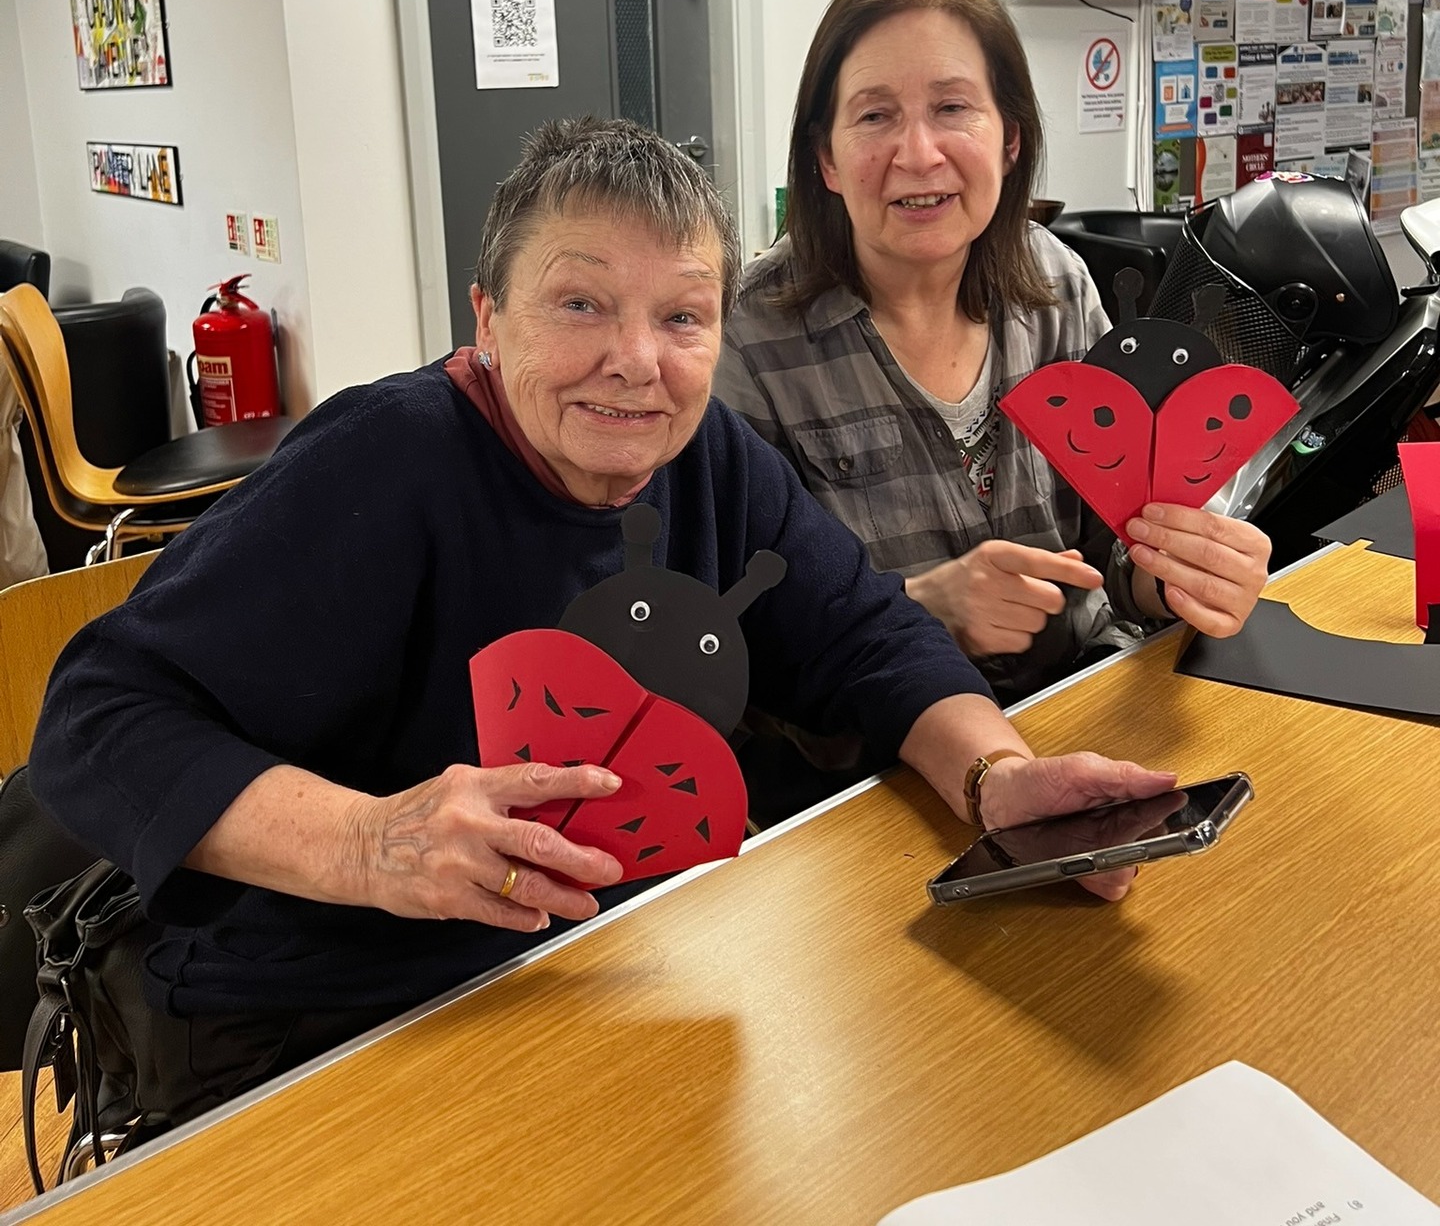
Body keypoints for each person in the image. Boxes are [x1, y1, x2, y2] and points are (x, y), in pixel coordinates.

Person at [30, 118, 1175, 1131]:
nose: (638, 361)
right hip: (320, 1019)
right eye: (581, 304)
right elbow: (92, 717)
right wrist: (373, 842)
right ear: (487, 317)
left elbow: (866, 641)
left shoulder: (714, 459)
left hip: (611, 973)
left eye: (683, 316)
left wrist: (997, 781)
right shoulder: (382, 461)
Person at [717, 0, 1271, 711]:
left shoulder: (1057, 286)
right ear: (826, 158)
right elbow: (728, 636)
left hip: (1084, 703)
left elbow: (1120, 556)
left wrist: (1178, 575)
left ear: (1010, 138)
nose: (918, 154)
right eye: (875, 116)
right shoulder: (746, 338)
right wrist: (917, 608)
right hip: (873, 763)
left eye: (952, 108)